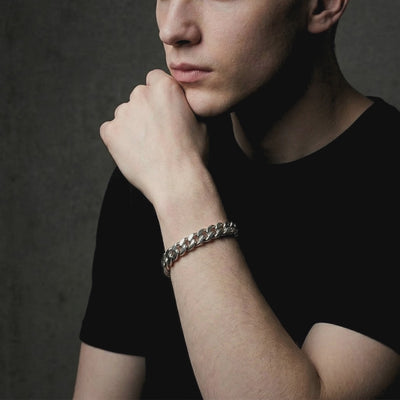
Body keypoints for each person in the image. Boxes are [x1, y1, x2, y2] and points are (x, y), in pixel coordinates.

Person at [73, 0, 400, 398]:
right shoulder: (159, 158)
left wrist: (180, 189)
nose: (172, 29)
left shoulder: (168, 168)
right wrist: (172, 172)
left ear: (322, 5)